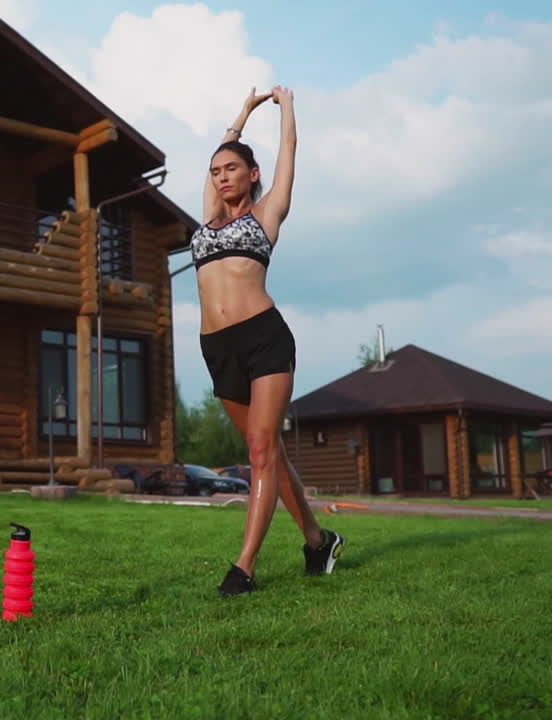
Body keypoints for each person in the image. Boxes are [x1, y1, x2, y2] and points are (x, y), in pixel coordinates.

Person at [189, 86, 345, 596]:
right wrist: (240, 113)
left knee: (261, 451)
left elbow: (288, 153)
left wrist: (286, 109)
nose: (221, 177)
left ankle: (245, 568)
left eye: (231, 169)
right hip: (217, 348)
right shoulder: (210, 218)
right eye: (216, 171)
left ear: (251, 175)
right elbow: (216, 160)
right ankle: (318, 541)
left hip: (265, 340)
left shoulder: (268, 212)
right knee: (270, 451)